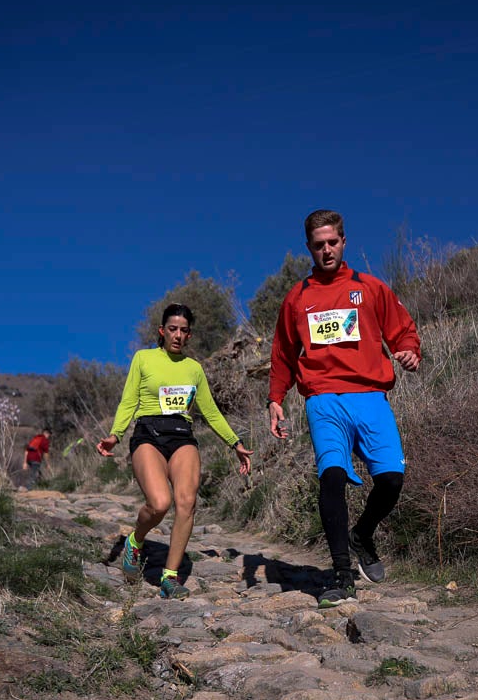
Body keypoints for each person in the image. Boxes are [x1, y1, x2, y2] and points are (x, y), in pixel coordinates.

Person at [268, 209, 421, 608]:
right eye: (318, 245)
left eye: (332, 242)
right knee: (331, 477)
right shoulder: (298, 298)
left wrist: (408, 350)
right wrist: (276, 399)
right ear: (309, 249)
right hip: (323, 399)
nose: (326, 250)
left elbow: (402, 329)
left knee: (391, 481)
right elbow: (283, 353)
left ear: (343, 242)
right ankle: (341, 575)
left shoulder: (369, 288)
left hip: (370, 396)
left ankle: (362, 535)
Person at [98, 303, 253, 599]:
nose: (178, 335)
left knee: (186, 501)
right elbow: (128, 401)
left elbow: (210, 411)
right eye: (172, 329)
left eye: (184, 330)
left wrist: (236, 443)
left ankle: (170, 576)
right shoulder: (143, 359)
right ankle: (136, 539)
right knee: (159, 503)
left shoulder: (194, 369)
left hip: (182, 436)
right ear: (162, 331)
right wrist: (114, 436)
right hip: (148, 435)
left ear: (190, 335)